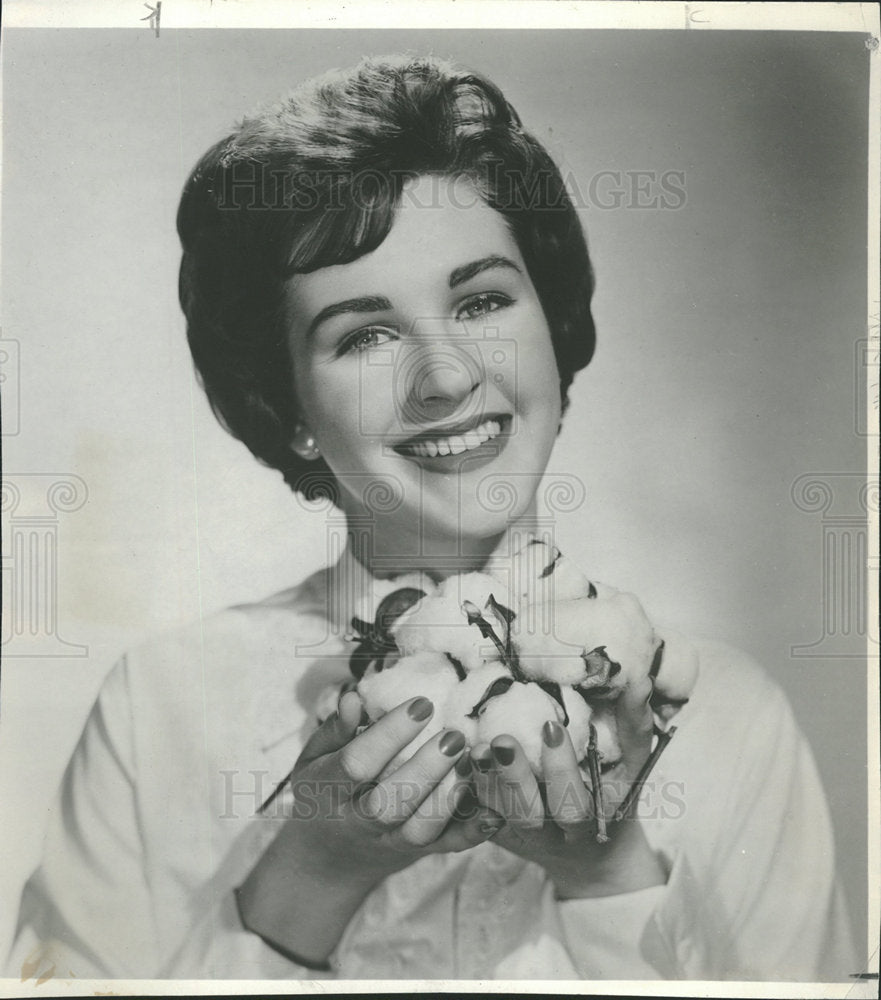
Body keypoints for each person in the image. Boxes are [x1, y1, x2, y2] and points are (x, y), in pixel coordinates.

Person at [6, 54, 857, 983]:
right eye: (365, 335)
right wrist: (311, 873)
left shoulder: (731, 719)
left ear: (550, 327)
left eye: (481, 301)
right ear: (287, 407)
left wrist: (606, 872)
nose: (446, 377)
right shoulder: (159, 707)